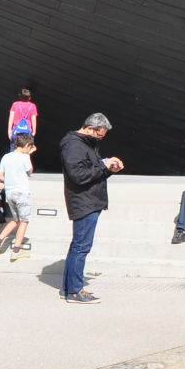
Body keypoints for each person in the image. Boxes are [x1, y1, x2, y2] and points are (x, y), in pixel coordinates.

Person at [57, 112, 122, 304]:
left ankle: (68, 288)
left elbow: (90, 173)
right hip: (84, 201)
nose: (101, 139)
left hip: (89, 200)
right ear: (90, 128)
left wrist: (109, 168)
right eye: (100, 135)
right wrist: (104, 167)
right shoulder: (74, 145)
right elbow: (79, 176)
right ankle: (75, 291)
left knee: (78, 245)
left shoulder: (84, 143)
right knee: (81, 246)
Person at [0, 133, 38, 256]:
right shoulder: (25, 157)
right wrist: (29, 155)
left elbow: (0, 175)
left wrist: (9, 180)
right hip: (21, 193)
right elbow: (29, 171)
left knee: (15, 219)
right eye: (29, 147)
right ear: (27, 145)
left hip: (10, 192)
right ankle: (16, 251)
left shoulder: (6, 157)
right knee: (24, 221)